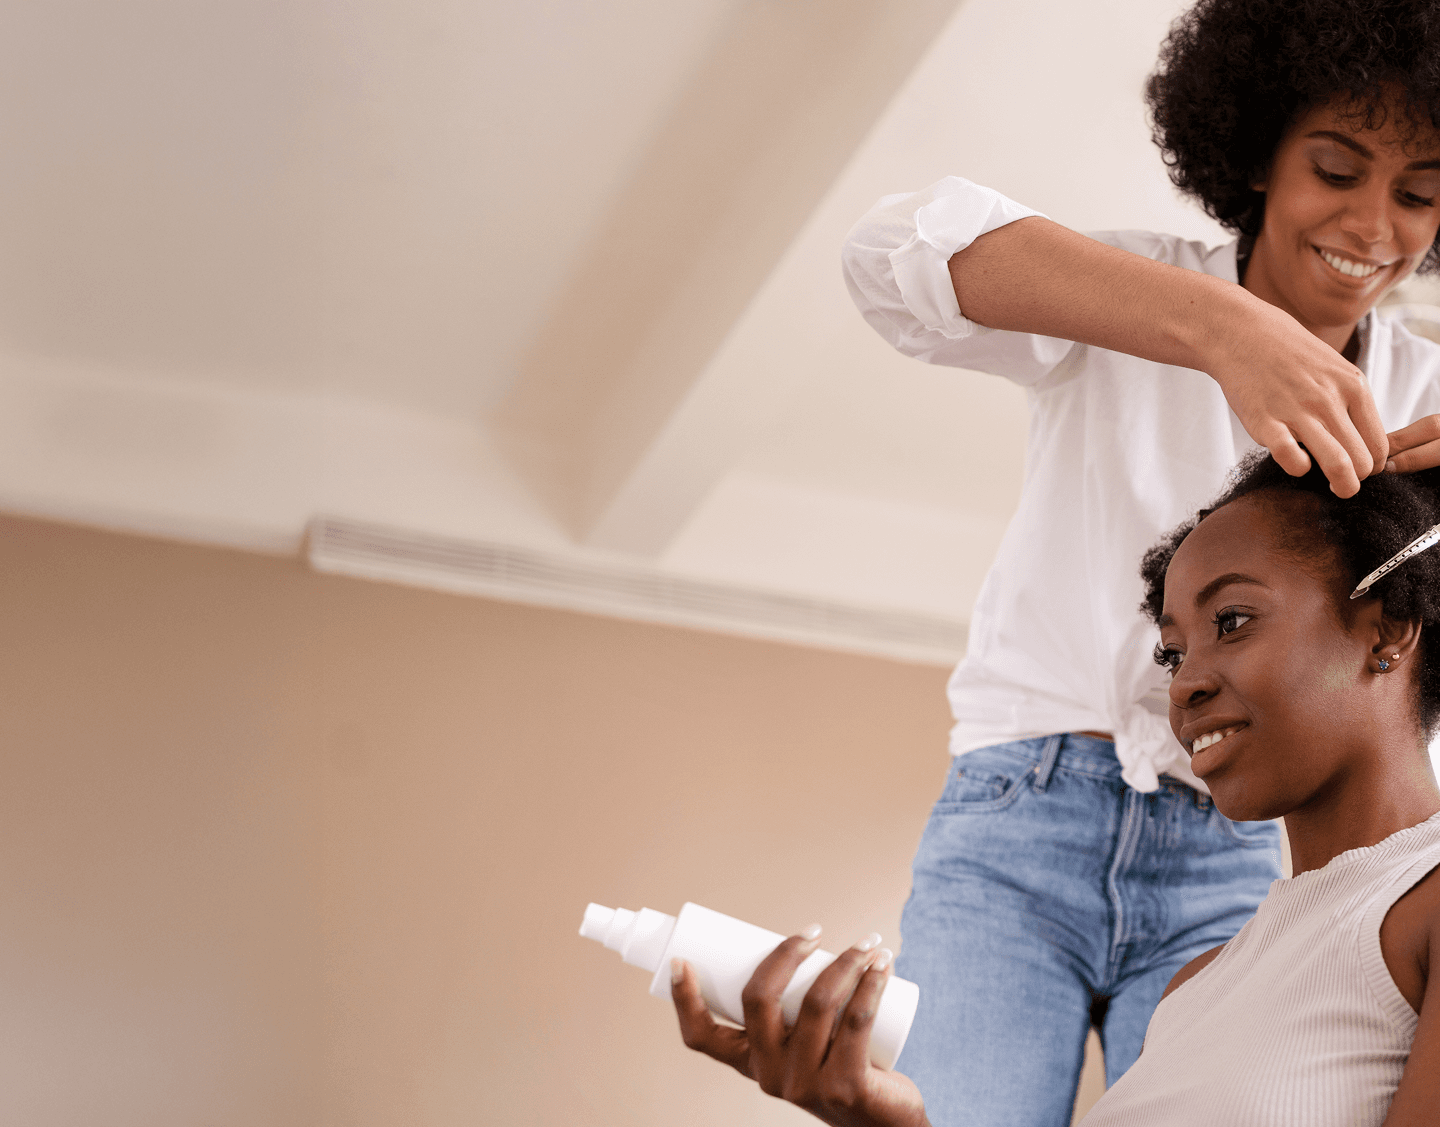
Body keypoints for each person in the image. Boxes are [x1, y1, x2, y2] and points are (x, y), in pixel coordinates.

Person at [834, 1, 1440, 1120]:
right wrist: (1219, 327)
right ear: (1258, 150)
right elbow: (888, 257)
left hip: (1247, 858)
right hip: (1023, 815)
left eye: (1417, 192)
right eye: (1336, 169)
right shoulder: (1132, 293)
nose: (1373, 224)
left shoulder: (1427, 397)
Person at [670, 451, 1440, 1126]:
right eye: (1172, 654)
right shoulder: (1194, 988)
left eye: (1232, 620)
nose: (1186, 684)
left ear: (1388, 628)